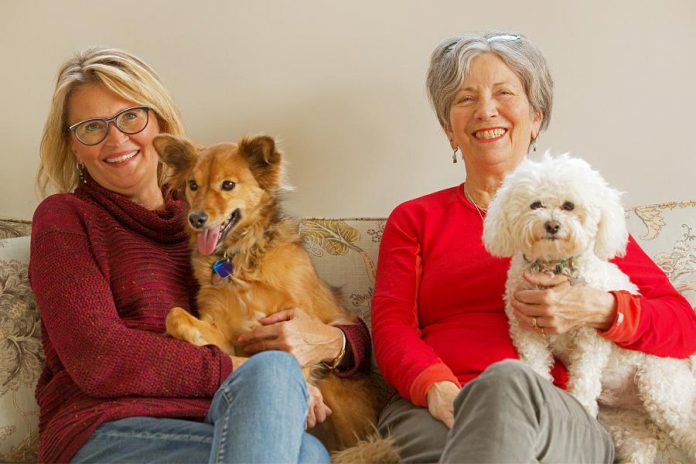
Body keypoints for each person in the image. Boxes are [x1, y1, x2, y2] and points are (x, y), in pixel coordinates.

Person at [30, 47, 372, 464]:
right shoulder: (65, 218)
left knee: (308, 448)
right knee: (304, 450)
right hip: (109, 431)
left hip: (221, 420)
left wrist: (331, 342)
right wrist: (248, 371)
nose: (115, 139)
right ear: (72, 145)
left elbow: (342, 332)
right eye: (91, 127)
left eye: (130, 117)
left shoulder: (223, 228)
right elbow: (97, 356)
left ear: (159, 122)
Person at [371, 31, 696, 463]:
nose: (486, 109)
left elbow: (682, 326)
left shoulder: (583, 220)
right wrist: (435, 386)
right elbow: (392, 329)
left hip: (556, 413)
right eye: (466, 99)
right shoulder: (414, 220)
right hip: (440, 405)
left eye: (504, 92)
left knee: (508, 381)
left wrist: (602, 309)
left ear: (536, 117)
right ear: (450, 129)